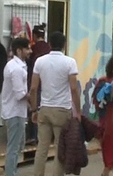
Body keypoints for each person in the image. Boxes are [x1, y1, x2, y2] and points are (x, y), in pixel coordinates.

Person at [30, 31, 81, 176]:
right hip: (62, 110)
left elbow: (33, 88)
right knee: (60, 148)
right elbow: (73, 89)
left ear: (50, 44)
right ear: (64, 45)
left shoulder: (40, 61)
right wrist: (78, 111)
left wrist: (34, 110)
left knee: (42, 148)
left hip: (44, 108)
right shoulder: (70, 62)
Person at [1, 37, 31, 176]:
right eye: (27, 48)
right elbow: (20, 94)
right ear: (19, 50)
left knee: (18, 146)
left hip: (15, 112)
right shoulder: (16, 69)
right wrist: (34, 98)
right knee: (13, 148)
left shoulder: (14, 65)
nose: (30, 51)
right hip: (15, 113)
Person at [27, 24, 49, 144]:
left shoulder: (33, 49)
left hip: (36, 83)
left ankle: (33, 136)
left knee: (34, 109)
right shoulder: (48, 48)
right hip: (48, 83)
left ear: (34, 36)